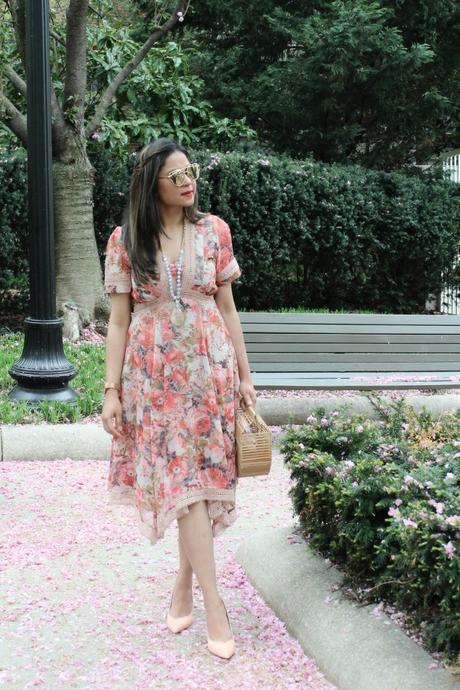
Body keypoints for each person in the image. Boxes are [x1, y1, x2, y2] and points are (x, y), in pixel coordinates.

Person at [101, 137, 257, 660]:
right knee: (185, 485)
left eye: (191, 171)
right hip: (154, 380)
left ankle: (184, 583)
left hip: (209, 374)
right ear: (152, 185)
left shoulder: (214, 232)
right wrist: (111, 391)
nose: (188, 181)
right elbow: (119, 321)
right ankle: (215, 603)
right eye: (177, 175)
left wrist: (245, 376)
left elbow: (229, 310)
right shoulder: (125, 241)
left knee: (203, 483)